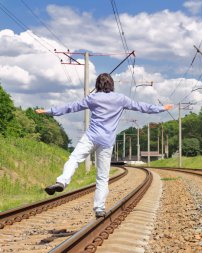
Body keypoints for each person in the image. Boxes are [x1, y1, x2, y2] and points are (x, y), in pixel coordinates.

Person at [35, 73, 173, 218]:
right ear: (111, 84)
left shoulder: (92, 98)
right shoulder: (120, 99)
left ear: (97, 85)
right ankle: (99, 208)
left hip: (90, 137)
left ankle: (62, 181)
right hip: (106, 141)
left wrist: (48, 111)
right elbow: (141, 107)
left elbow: (71, 107)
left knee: (74, 158)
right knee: (102, 177)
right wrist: (161, 108)